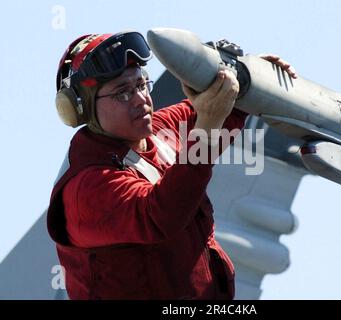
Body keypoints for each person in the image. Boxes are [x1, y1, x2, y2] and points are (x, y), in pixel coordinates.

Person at [48, 31, 297, 300]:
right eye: (122, 93)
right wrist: (207, 131)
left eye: (142, 85)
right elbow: (160, 214)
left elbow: (220, 108)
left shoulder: (157, 131)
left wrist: (251, 77)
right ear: (82, 107)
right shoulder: (87, 189)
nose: (141, 99)